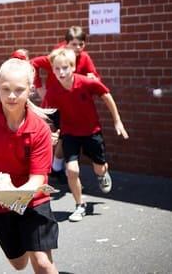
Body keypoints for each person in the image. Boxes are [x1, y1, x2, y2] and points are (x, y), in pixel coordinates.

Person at [0, 58, 58, 273]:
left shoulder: (40, 129)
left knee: (43, 262)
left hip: (33, 200)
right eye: (5, 89)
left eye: (19, 90)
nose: (11, 96)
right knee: (19, 264)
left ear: (30, 90)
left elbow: (38, 178)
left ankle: (33, 243)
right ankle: (26, 243)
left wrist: (17, 195)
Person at [47, 48, 128, 222]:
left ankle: (102, 173)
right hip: (70, 134)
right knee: (71, 170)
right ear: (52, 69)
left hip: (92, 132)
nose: (61, 72)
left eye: (65, 68)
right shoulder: (53, 91)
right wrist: (52, 132)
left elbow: (106, 95)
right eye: (57, 68)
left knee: (99, 167)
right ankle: (79, 205)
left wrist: (117, 121)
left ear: (73, 67)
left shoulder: (85, 82)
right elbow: (47, 113)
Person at [31, 26, 101, 184]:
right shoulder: (57, 57)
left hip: (72, 104)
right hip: (53, 104)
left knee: (64, 137)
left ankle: (56, 169)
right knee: (52, 135)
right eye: (73, 44)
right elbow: (33, 63)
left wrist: (94, 78)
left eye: (81, 44)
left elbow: (95, 77)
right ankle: (43, 170)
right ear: (66, 43)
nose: (77, 48)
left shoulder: (84, 58)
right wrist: (39, 87)